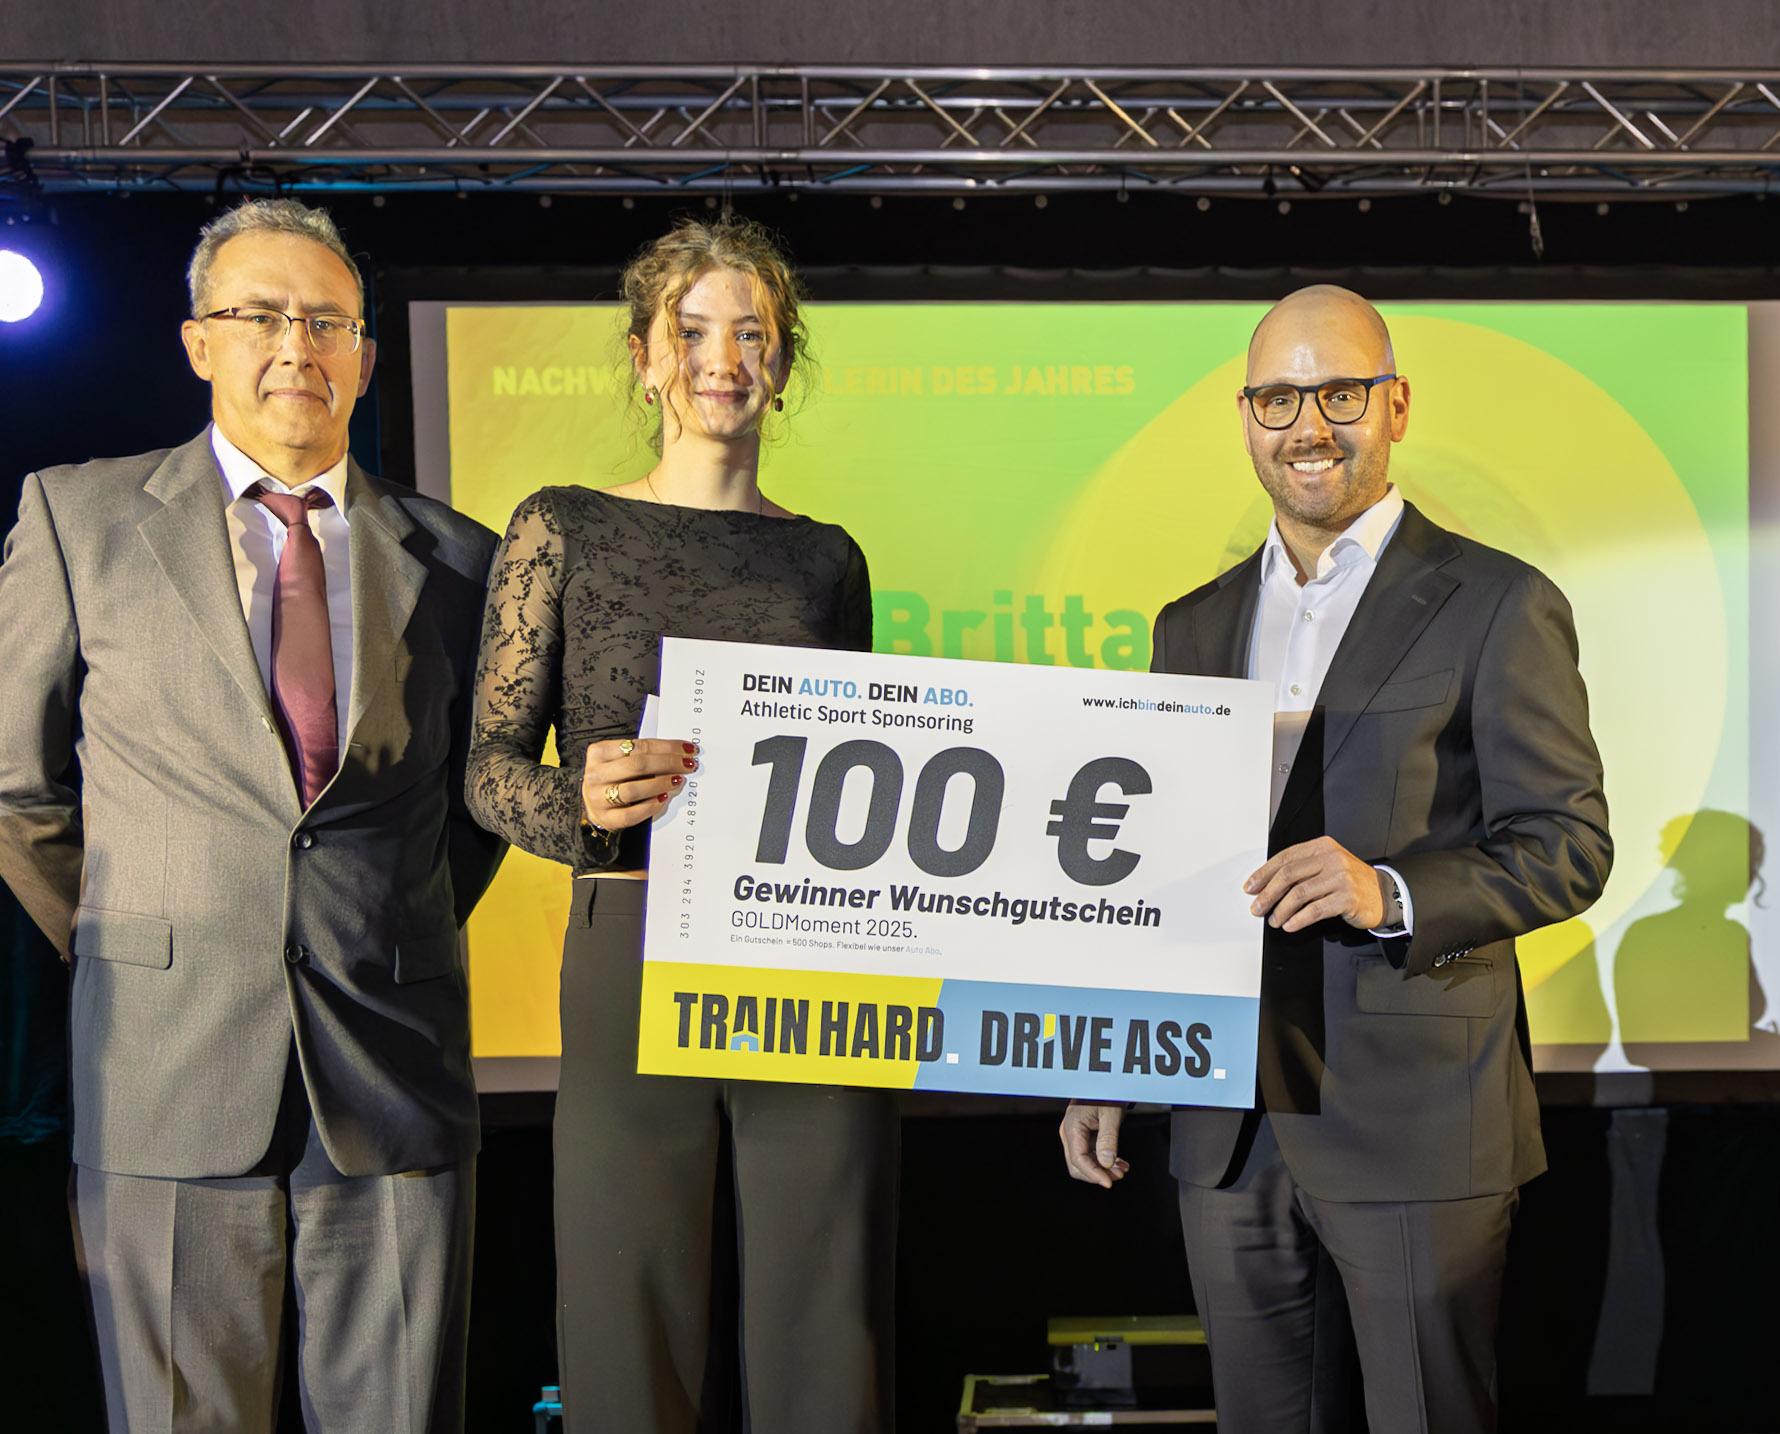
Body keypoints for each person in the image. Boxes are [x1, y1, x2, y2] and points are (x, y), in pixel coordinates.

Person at [1059, 286, 1612, 1434]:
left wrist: (1388, 891)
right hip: (1227, 1125)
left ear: (1395, 405)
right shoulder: (1189, 624)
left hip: (1417, 1123)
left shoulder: (1499, 602)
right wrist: (1105, 1053)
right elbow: (1156, 869)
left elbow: (1567, 845)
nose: (1308, 425)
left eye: (1339, 394)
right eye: (1278, 399)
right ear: (1244, 418)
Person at [0, 198, 505, 1432]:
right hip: (162, 1061)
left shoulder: (458, 556)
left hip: (391, 1067)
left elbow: (475, 804)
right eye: (261, 315)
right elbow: (15, 784)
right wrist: (132, 929)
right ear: (198, 342)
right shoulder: (77, 518)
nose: (296, 346)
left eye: (327, 322)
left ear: (365, 357)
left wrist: (380, 920)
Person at [466, 214, 895, 1433]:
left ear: (782, 362)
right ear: (646, 357)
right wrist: (579, 805)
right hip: (632, 939)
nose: (722, 358)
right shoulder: (561, 525)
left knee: (828, 1315)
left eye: (752, 334)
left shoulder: (827, 560)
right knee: (627, 1310)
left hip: (811, 956)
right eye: (692, 331)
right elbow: (487, 770)